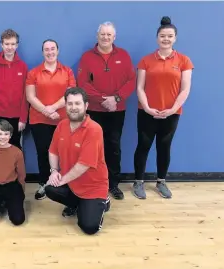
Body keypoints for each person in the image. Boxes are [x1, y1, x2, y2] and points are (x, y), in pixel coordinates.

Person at [133, 16, 194, 200]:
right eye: (162, 36)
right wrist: (148, 108)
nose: (165, 39)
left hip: (172, 113)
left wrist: (173, 108)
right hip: (146, 113)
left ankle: (161, 181)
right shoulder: (145, 60)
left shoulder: (184, 61)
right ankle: (138, 182)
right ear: (157, 38)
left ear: (175, 38)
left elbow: (185, 89)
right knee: (143, 146)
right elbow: (139, 87)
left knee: (164, 147)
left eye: (169, 36)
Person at [77, 22, 136, 200]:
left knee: (114, 147)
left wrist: (116, 99)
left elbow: (131, 81)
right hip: (95, 110)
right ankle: (95, 182)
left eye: (109, 35)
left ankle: (113, 184)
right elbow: (83, 83)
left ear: (114, 37)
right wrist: (103, 99)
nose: (105, 37)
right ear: (97, 36)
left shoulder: (124, 56)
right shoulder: (87, 57)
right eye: (102, 34)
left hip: (117, 111)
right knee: (93, 147)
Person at [45, 87, 110, 235]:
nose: (73, 108)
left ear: (86, 106)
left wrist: (62, 180)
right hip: (72, 183)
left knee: (89, 227)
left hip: (93, 187)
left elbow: (83, 165)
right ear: (66, 105)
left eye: (77, 103)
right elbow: (52, 151)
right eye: (70, 104)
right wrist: (54, 171)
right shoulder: (62, 125)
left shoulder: (94, 129)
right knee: (49, 187)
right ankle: (79, 204)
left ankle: (103, 201)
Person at [26, 39, 76, 200]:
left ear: (58, 51)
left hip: (63, 120)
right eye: (46, 49)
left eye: (53, 49)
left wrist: (52, 108)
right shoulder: (34, 73)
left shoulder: (67, 71)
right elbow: (30, 96)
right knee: (43, 152)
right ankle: (44, 184)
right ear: (42, 52)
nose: (50, 52)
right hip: (39, 120)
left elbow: (70, 95)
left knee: (65, 153)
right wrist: (46, 112)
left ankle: (65, 183)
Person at [0, 29, 29, 149]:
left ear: (17, 45)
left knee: (16, 147)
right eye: (7, 44)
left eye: (12, 44)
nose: (9, 47)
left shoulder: (23, 66)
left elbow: (25, 94)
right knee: (1, 147)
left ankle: (17, 169)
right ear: (1, 44)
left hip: (17, 117)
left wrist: (23, 118)